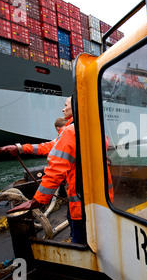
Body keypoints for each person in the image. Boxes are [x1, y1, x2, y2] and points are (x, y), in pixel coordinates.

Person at [8, 96, 114, 244]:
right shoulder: (97, 129)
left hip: (81, 202)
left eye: (66, 105)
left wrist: (37, 201)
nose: (63, 109)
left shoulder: (70, 132)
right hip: (103, 199)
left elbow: (55, 169)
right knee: (99, 237)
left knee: (81, 241)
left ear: (76, 107)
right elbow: (50, 146)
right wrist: (20, 148)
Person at [0, 117, 68, 157]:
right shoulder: (74, 134)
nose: (63, 110)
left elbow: (45, 148)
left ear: (58, 128)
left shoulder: (61, 140)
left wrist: (19, 148)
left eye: (66, 106)